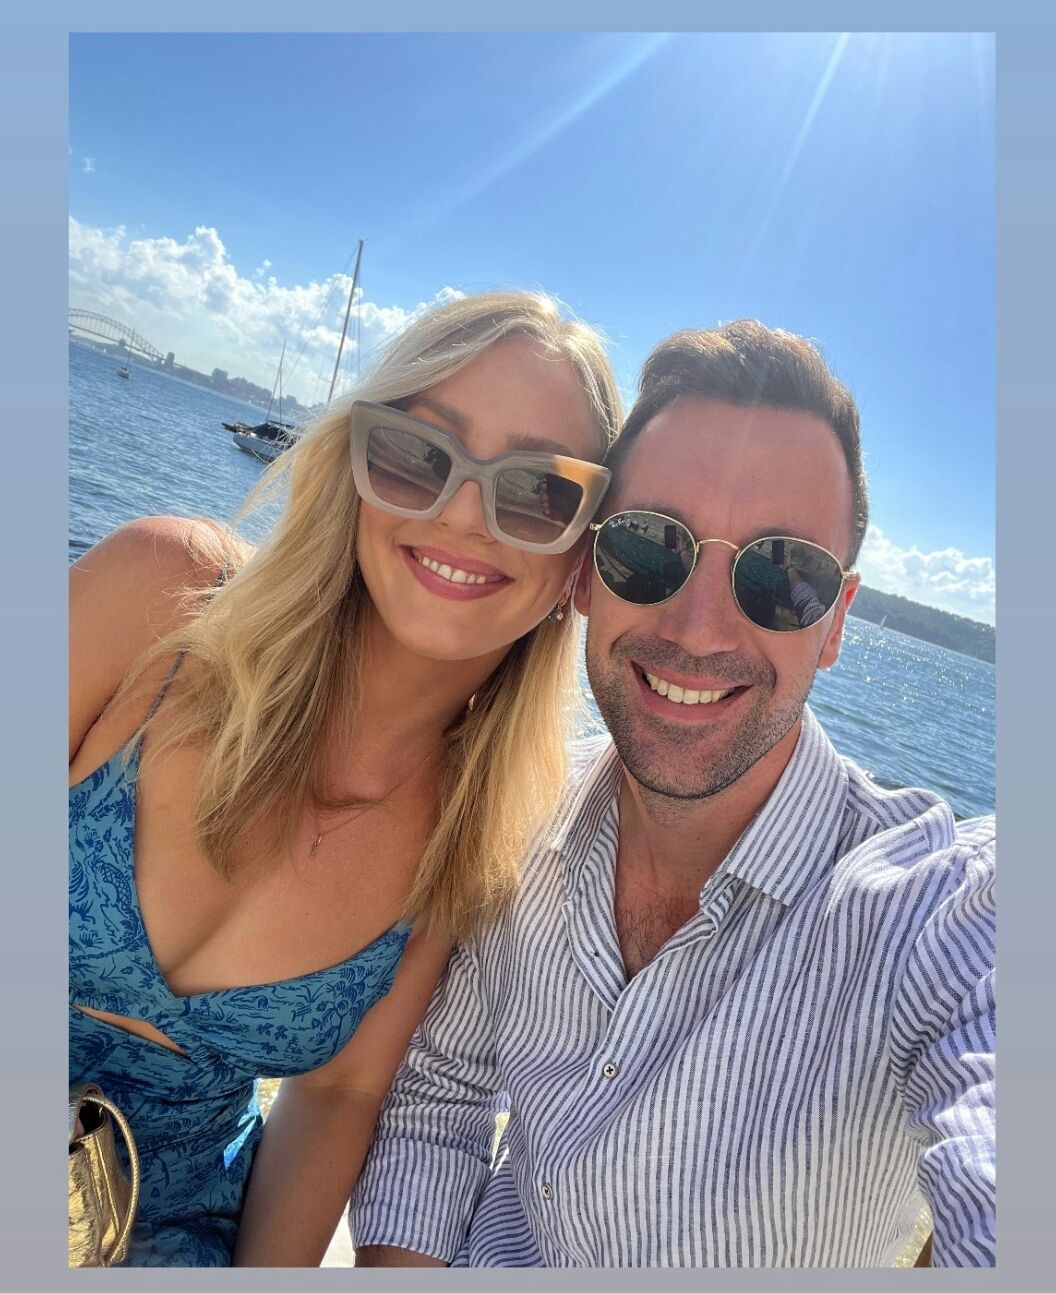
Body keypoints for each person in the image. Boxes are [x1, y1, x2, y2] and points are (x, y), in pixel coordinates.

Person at [351, 321, 996, 1268]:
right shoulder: (524, 814)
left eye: (782, 574)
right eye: (651, 546)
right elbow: (442, 1093)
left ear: (834, 625)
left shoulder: (934, 915)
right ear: (585, 573)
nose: (698, 629)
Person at [68, 290, 622, 1266]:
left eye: (538, 491)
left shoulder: (473, 835)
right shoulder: (161, 597)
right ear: (358, 463)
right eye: (418, 452)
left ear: (581, 562)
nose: (463, 513)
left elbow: (337, 1094)